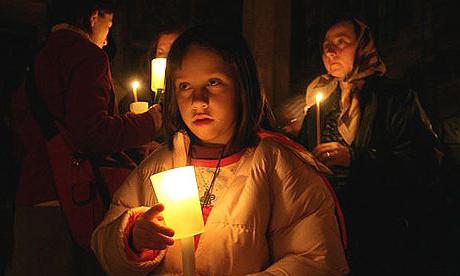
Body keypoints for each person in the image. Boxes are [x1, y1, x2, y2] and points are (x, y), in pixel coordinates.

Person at [91, 24, 349, 275]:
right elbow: (104, 246)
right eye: (184, 86)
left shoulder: (278, 164)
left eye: (214, 82)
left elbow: (315, 260)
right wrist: (133, 238)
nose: (198, 100)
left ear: (242, 86)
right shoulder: (159, 164)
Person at [7, 1, 162, 275]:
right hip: (71, 199)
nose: (106, 38)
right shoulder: (86, 55)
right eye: (109, 25)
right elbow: (91, 133)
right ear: (93, 16)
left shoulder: (37, 55)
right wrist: (150, 122)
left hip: (31, 194)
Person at [297, 17, 441, 275]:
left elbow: (425, 160)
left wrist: (354, 158)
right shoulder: (321, 103)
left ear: (364, 47)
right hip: (332, 231)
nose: (330, 51)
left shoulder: (394, 98)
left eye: (342, 43)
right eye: (326, 45)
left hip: (385, 233)